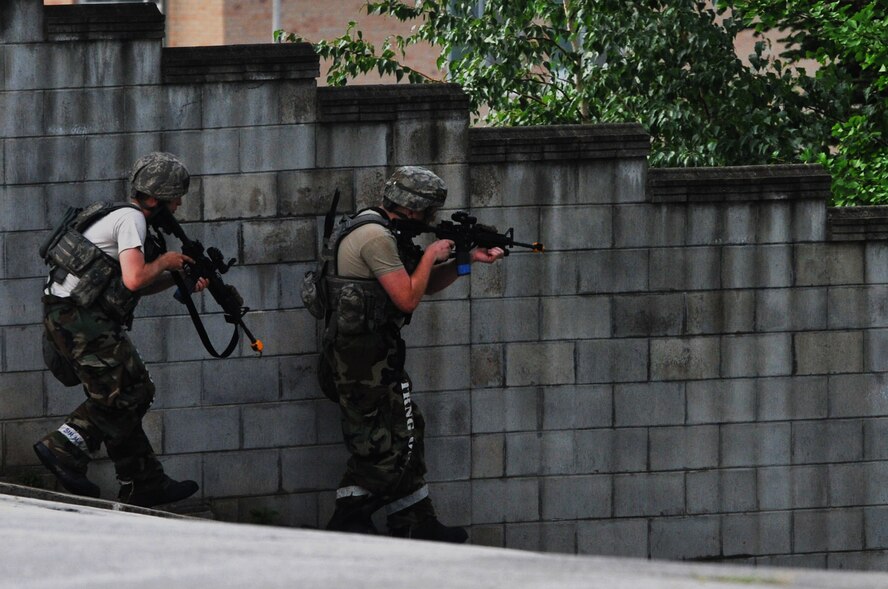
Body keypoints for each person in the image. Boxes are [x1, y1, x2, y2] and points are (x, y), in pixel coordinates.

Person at [315, 166, 504, 542]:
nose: (432, 219)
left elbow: (422, 284)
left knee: (408, 430)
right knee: (377, 447)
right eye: (429, 211)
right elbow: (407, 297)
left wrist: (466, 261)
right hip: (358, 361)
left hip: (376, 357)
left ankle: (416, 521)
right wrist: (432, 252)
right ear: (414, 207)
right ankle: (347, 521)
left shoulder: (386, 233)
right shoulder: (373, 236)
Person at [34, 152, 209, 508]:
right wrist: (165, 261)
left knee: (129, 391)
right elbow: (134, 276)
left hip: (72, 315)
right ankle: (64, 446)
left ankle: (144, 481)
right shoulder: (132, 220)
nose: (178, 205)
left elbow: (134, 285)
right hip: (79, 317)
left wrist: (177, 278)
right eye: (175, 197)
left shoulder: (118, 214)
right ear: (157, 197)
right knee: (128, 392)